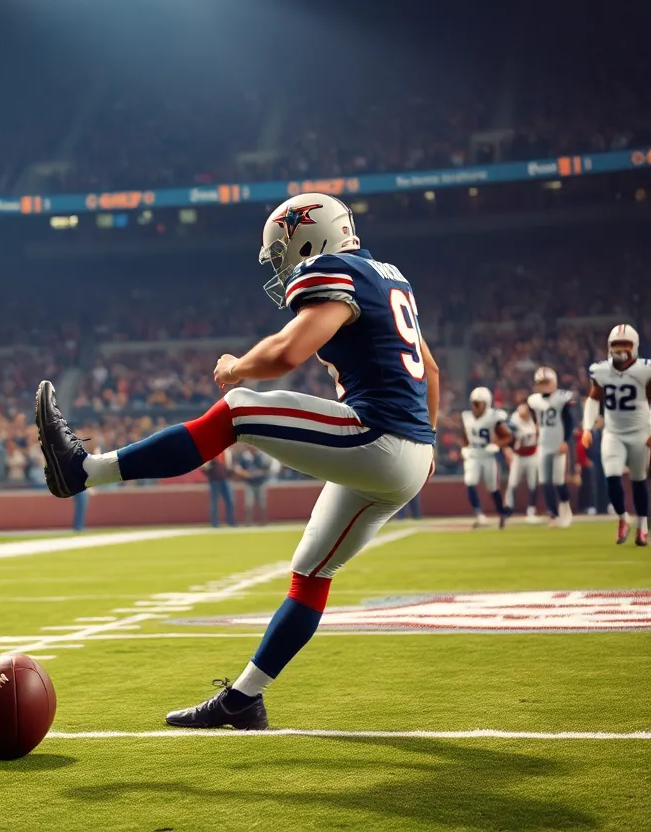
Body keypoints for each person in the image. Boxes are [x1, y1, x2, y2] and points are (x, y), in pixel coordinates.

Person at [36, 193, 437, 730]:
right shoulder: (389, 277)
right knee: (311, 573)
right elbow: (431, 371)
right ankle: (244, 699)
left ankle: (83, 471)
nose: (281, 266)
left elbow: (288, 352)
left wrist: (238, 365)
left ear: (309, 237)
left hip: (377, 437)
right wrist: (428, 442)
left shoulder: (334, 270)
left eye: (281, 254)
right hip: (407, 456)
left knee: (239, 409)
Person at [580, 324, 651, 545]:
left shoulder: (644, 369)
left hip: (640, 432)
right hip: (613, 432)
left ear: (635, 346)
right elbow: (593, 398)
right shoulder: (601, 370)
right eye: (616, 345)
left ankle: (642, 525)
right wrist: (587, 428)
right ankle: (622, 518)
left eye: (625, 344)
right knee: (611, 476)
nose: (620, 349)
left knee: (639, 479)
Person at [527, 366, 575, 527]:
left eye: (546, 382)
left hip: (558, 444)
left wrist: (565, 441)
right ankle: (553, 515)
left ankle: (565, 509)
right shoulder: (534, 400)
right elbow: (535, 418)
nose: (544, 386)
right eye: (541, 383)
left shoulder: (562, 398)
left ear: (554, 382)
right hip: (543, 444)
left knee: (559, 480)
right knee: (545, 481)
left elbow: (569, 421)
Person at [461, 386, 511, 529]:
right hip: (474, 454)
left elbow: (508, 436)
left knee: (492, 487)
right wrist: (464, 447)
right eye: (474, 403)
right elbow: (465, 434)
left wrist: (497, 445)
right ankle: (479, 514)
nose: (476, 407)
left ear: (487, 403)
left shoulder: (493, 417)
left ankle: (501, 513)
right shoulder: (467, 416)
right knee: (470, 481)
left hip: (487, 454)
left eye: (479, 403)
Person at [504, 402, 540, 520]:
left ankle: (531, 509)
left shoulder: (534, 418)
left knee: (533, 483)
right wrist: (508, 448)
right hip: (518, 455)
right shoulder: (514, 420)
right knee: (512, 482)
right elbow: (507, 435)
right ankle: (509, 508)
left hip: (532, 454)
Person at [236, 444, 276, 525]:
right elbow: (238, 468)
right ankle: (248, 521)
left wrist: (261, 473)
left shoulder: (261, 456)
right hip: (249, 483)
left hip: (260, 482)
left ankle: (263, 520)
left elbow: (267, 468)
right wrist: (244, 473)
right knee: (248, 503)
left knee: (261, 502)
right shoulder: (245, 456)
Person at [203, 449, 235, 527]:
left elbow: (229, 466)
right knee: (214, 502)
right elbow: (205, 467)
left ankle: (230, 521)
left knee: (230, 501)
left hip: (225, 479)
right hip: (214, 480)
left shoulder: (226, 452)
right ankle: (215, 523)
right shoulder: (210, 452)